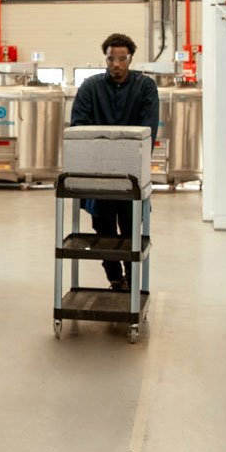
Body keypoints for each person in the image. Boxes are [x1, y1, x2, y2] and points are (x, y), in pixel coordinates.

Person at [68, 33, 159, 291]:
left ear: (130, 58)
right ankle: (115, 281)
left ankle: (132, 281)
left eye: (122, 58)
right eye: (111, 59)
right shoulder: (90, 88)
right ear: (105, 59)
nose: (116, 64)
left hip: (131, 176)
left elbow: (148, 131)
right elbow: (79, 126)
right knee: (104, 231)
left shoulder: (145, 87)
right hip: (99, 177)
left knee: (131, 231)